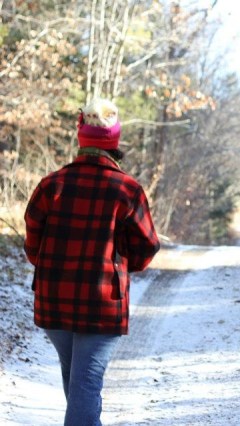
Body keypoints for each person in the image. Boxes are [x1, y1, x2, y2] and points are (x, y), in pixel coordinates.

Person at [24, 98, 160, 426]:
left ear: (81, 138)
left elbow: (32, 243)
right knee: (84, 383)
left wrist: (52, 265)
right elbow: (147, 247)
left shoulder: (51, 185)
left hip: (54, 300)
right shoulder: (127, 190)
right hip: (102, 304)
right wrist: (120, 262)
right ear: (114, 141)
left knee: (78, 382)